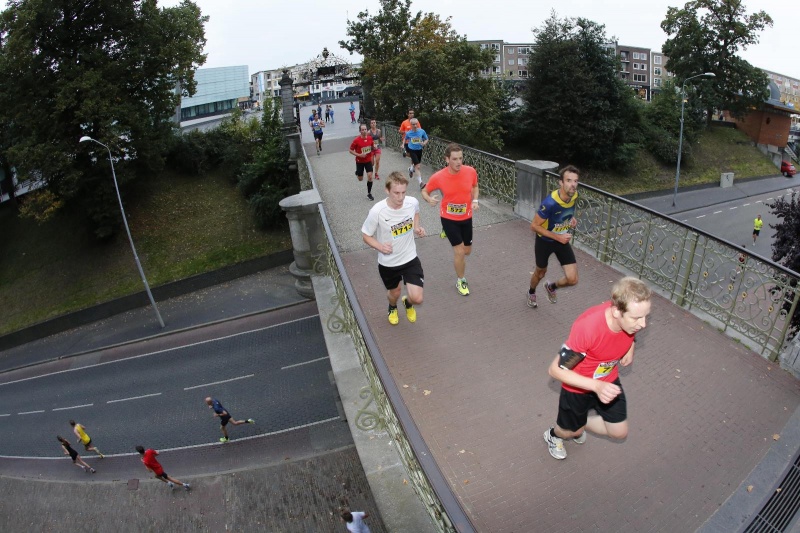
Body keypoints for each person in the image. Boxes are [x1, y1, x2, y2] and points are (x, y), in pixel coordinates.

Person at [543, 276, 652, 460]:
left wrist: (631, 345)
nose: (643, 324)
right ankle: (554, 435)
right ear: (616, 311)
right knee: (570, 431)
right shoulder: (588, 329)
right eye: (637, 318)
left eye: (646, 316)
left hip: (607, 379)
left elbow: (626, 332)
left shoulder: (627, 324)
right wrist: (596, 386)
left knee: (619, 432)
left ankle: (579, 425)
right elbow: (556, 370)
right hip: (578, 387)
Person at [361, 172, 426, 325]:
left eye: (403, 192)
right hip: (389, 263)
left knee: (417, 298)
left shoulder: (412, 202)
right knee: (394, 293)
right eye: (396, 193)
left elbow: (416, 212)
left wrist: (416, 228)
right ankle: (392, 306)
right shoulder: (377, 211)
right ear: (387, 190)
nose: (401, 197)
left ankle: (408, 302)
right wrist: (380, 247)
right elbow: (366, 235)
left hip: (410, 258)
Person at [421, 143, 479, 297]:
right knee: (459, 251)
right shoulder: (438, 176)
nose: (459, 162)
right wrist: (428, 199)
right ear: (447, 159)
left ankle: (459, 259)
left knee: (467, 251)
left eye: (460, 158)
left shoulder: (470, 171)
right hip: (448, 218)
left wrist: (475, 201)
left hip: (466, 217)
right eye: (454, 159)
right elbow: (425, 190)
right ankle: (461, 280)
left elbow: (475, 186)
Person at [527, 165, 580, 308]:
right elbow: (534, 226)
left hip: (561, 240)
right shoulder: (549, 203)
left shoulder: (573, 195)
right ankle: (531, 291)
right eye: (569, 181)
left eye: (575, 181)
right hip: (545, 241)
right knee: (540, 273)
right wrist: (558, 237)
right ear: (561, 183)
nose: (573, 185)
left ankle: (551, 287)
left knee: (572, 279)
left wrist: (570, 219)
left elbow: (567, 211)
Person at [350, 123, 377, 201]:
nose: (364, 131)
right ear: (360, 131)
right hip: (359, 161)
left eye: (365, 129)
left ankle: (369, 193)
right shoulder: (356, 140)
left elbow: (372, 145)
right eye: (362, 130)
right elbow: (350, 150)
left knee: (370, 176)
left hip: (368, 160)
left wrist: (374, 147)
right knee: (360, 179)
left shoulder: (370, 138)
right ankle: (358, 172)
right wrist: (359, 155)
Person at [404, 118, 429, 189]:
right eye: (413, 124)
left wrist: (424, 143)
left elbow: (426, 139)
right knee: (417, 166)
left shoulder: (422, 131)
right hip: (412, 150)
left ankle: (410, 169)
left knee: (416, 164)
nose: (415, 125)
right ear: (410, 125)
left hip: (419, 150)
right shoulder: (409, 133)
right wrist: (404, 146)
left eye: (416, 124)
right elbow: (405, 139)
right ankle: (421, 183)